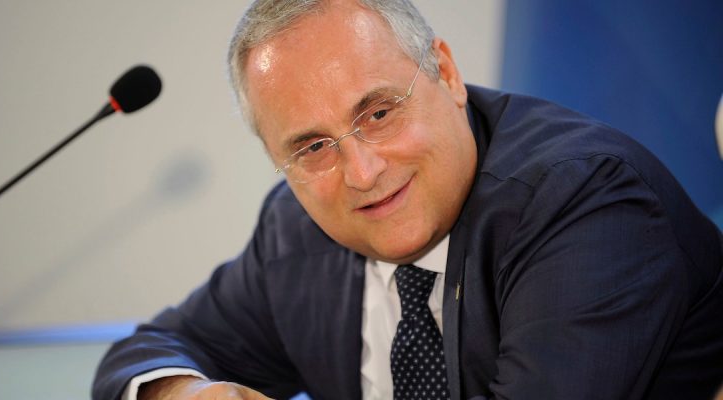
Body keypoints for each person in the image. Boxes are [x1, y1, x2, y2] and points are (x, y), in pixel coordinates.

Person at [92, 0, 723, 399]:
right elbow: (148, 352)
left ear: (446, 73)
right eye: (312, 147)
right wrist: (183, 394)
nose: (362, 172)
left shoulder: (583, 198)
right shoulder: (294, 229)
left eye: (378, 113)